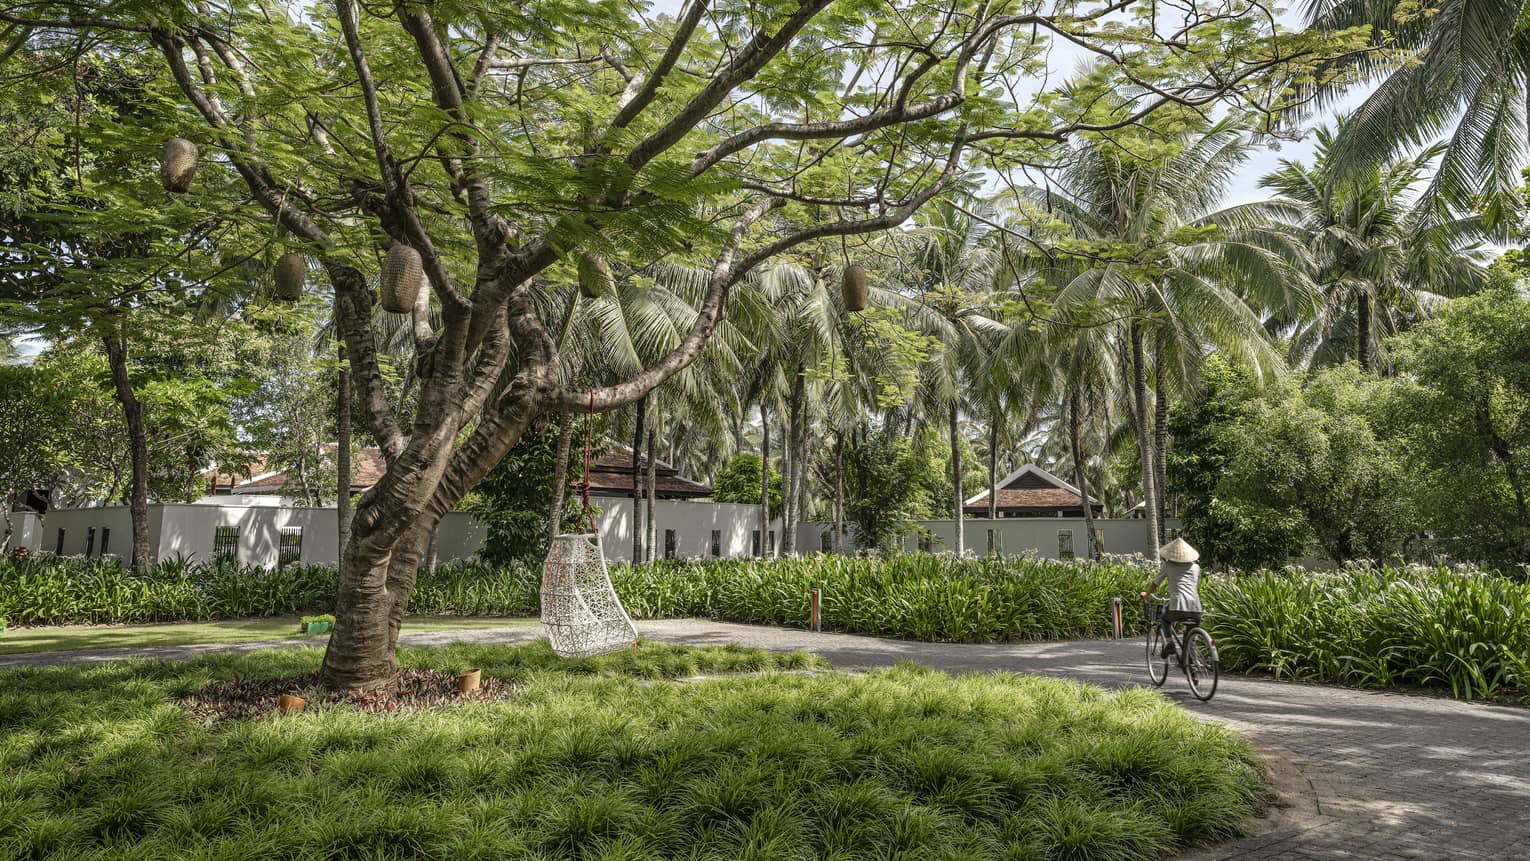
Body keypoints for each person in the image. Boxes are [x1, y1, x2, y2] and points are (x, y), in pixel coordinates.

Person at [1141, 537, 1201, 657]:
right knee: (1189, 635)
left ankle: (1170, 644)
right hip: (1196, 608)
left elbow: (1155, 583)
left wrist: (1146, 594)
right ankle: (1190, 665)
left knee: (1164, 618)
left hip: (1177, 606)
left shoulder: (1168, 566)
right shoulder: (1196, 568)